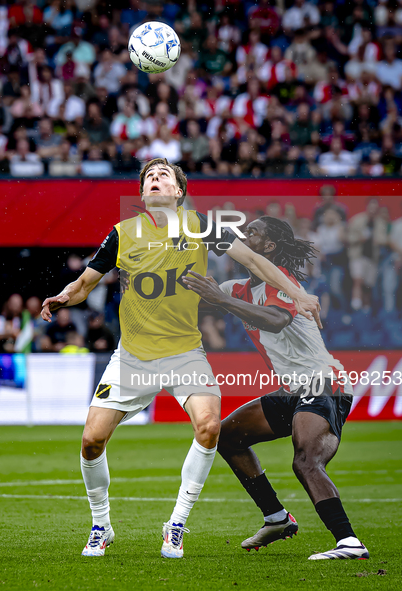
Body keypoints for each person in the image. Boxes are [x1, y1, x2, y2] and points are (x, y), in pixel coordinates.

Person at [42, 158, 321, 559]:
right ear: (142, 194)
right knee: (91, 442)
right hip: (133, 358)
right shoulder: (123, 233)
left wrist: (297, 294)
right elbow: (87, 282)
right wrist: (65, 295)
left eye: (164, 176)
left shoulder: (202, 227)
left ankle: (176, 524)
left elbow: (257, 262)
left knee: (209, 427)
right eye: (149, 177)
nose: (155, 180)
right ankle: (101, 525)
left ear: (178, 192)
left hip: (184, 353)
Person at [183, 216, 368, 561]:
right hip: (292, 390)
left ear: (268, 247)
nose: (244, 235)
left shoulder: (284, 282)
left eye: (252, 232)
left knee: (306, 461)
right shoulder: (238, 287)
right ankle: (276, 518)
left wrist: (218, 300)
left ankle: (349, 542)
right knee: (226, 436)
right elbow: (199, 300)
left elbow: (277, 319)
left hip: (322, 382)